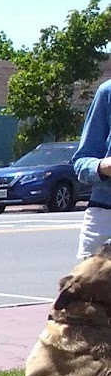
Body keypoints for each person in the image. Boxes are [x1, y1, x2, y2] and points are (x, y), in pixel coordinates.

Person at [73, 76, 111, 261]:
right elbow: (81, 162)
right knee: (86, 288)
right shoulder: (107, 92)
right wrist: (103, 167)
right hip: (105, 216)